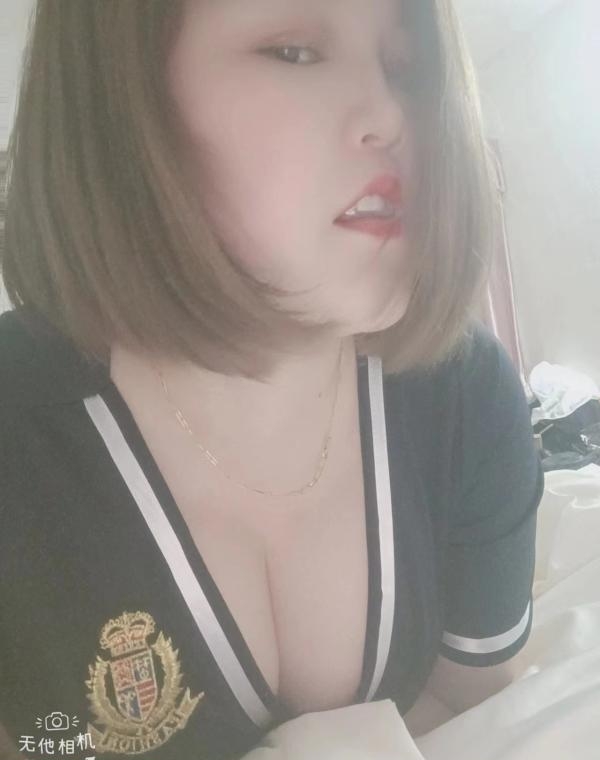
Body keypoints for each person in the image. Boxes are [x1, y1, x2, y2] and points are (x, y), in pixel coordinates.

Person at [0, 1, 545, 758]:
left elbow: (475, 708)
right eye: (293, 51)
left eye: (406, 67)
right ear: (116, 101)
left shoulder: (464, 394)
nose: (391, 115)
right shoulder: (19, 434)